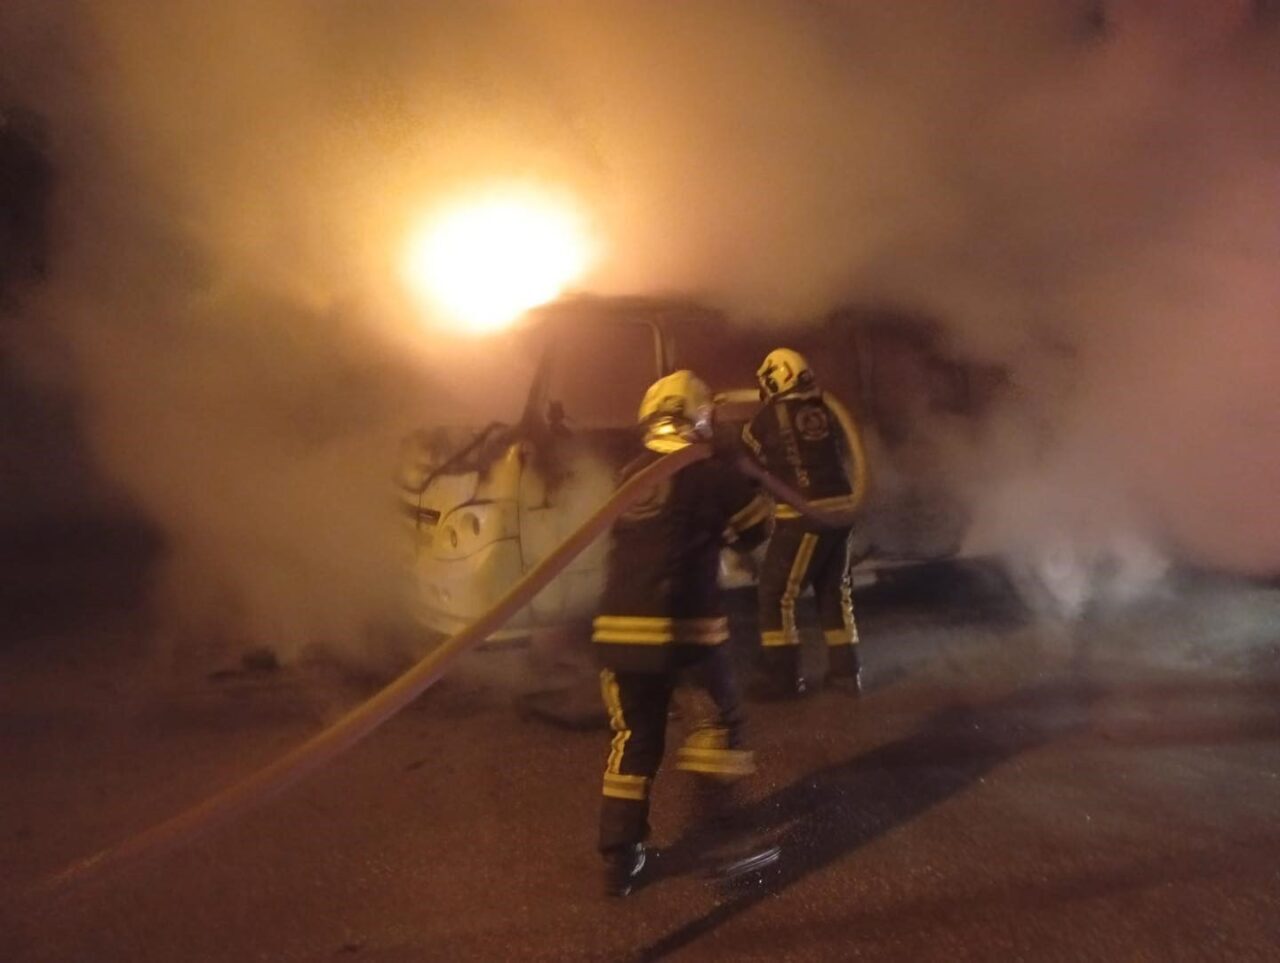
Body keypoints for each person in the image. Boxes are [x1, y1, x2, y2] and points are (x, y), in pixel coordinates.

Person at [593, 369, 773, 897]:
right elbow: (757, 530)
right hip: (686, 633)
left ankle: (620, 858)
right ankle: (722, 849)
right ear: (702, 417)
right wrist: (737, 464)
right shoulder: (711, 473)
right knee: (715, 731)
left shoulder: (629, 473)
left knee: (635, 740)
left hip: (617, 634)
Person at [741, 348, 870, 698]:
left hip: (803, 518)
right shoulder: (826, 409)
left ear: (773, 381)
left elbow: (748, 467)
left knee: (776, 594)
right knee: (834, 593)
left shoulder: (765, 420)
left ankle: (781, 679)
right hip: (842, 511)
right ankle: (846, 675)